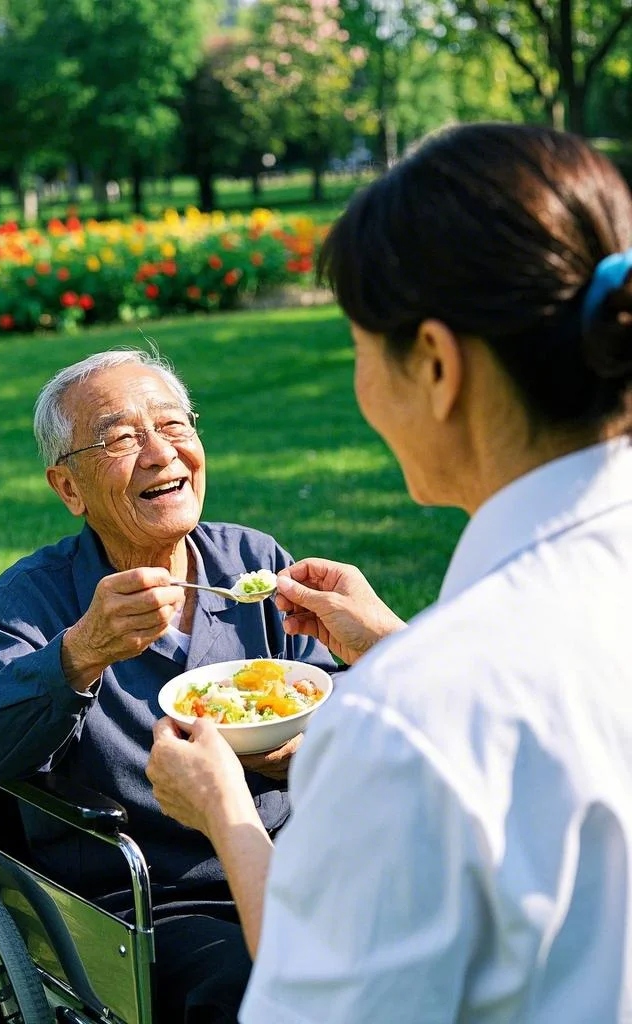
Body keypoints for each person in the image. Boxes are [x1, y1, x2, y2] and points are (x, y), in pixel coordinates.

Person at [146, 122, 632, 1022]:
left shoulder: (411, 722)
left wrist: (226, 814)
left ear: (438, 366)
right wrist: (394, 646)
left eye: (362, 349)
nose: (360, 385)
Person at [0, 348, 336, 1024]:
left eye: (175, 425)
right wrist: (81, 650)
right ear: (69, 489)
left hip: (293, 862)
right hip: (149, 901)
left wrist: (294, 748)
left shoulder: (255, 563)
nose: (162, 453)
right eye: (122, 437)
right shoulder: (30, 602)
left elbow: (328, 694)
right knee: (262, 985)